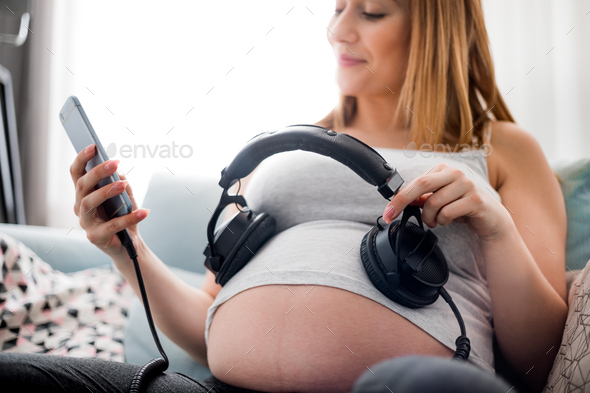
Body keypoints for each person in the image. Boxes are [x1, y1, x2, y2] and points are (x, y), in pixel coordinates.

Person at [0, 0, 568, 392]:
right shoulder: (278, 150)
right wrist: (130, 254)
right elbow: (208, 319)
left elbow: (542, 360)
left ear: (438, 25)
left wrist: (495, 225)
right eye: (338, 8)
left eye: (370, 11)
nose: (339, 30)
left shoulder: (503, 150)